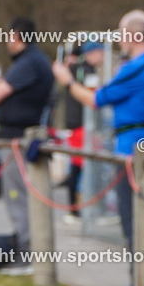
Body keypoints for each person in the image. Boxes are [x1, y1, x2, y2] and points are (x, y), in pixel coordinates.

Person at [53, 10, 144, 286]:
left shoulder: (138, 66)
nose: (118, 39)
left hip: (133, 153)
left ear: (133, 34)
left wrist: (67, 81)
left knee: (135, 225)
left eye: (120, 32)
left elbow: (97, 99)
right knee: (140, 224)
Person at [0, 17, 54, 274]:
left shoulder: (28, 62)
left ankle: (27, 257)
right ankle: (28, 252)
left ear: (16, 36)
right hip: (21, 138)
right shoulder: (34, 61)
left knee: (17, 198)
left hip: (17, 140)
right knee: (21, 197)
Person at [58, 42, 104, 224]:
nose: (102, 57)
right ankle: (74, 210)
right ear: (92, 53)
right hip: (81, 124)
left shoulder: (80, 68)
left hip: (81, 124)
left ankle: (85, 209)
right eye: (101, 53)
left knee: (83, 167)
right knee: (80, 167)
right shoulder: (84, 70)